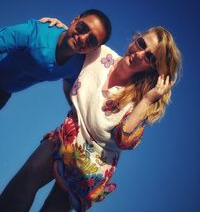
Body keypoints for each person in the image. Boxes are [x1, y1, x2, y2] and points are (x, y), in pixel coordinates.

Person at [0, 25, 182, 212]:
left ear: (152, 68)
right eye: (141, 44)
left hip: (91, 167)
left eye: (150, 57)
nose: (139, 54)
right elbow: (74, 39)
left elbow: (124, 139)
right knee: (25, 181)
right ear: (136, 38)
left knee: (53, 208)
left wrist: (148, 100)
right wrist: (50, 28)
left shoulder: (142, 99)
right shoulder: (99, 54)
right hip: (65, 139)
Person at [0, 9, 112, 109]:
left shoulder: (77, 65)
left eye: (92, 40)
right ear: (75, 20)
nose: (83, 38)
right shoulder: (36, 33)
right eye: (82, 27)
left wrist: (76, 114)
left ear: (95, 49)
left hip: (3, 94)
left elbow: (69, 87)